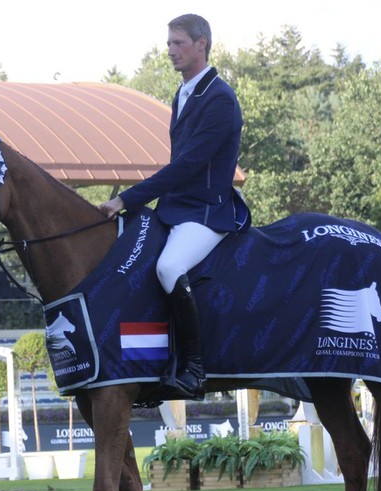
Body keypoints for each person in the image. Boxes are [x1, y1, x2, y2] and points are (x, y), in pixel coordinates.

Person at [98, 13, 250, 399]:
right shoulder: (182, 93)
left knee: (169, 266)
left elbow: (187, 167)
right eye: (168, 44)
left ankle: (196, 370)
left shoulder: (220, 98)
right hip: (176, 207)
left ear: (202, 44)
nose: (170, 51)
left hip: (207, 211)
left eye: (178, 43)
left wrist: (126, 198)